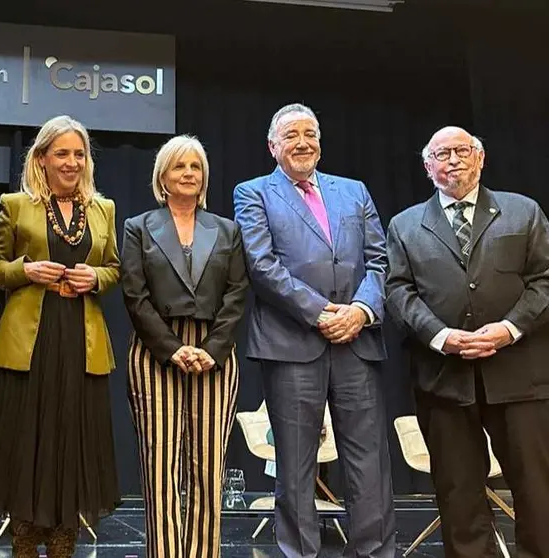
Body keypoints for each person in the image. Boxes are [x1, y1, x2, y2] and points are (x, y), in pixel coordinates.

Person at [232, 103, 395, 558]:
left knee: (369, 463)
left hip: (357, 341)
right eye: (291, 136)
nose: (302, 143)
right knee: (297, 465)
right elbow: (262, 266)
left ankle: (374, 553)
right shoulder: (253, 193)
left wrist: (361, 311)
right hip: (292, 343)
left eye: (310, 134)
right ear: (272, 146)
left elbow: (379, 260)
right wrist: (323, 312)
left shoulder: (354, 191)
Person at [385, 126, 549, 557]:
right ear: (427, 167)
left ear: (480, 158)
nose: (453, 159)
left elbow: (544, 282)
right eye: (442, 153)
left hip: (519, 375)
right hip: (443, 377)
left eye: (462, 150)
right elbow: (398, 292)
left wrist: (509, 328)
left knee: (537, 487)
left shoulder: (523, 212)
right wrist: (441, 336)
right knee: (458, 493)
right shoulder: (404, 225)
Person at [0, 115, 121, 558]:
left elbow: (114, 268)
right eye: (62, 153)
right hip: (27, 346)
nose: (72, 162)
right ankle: (23, 542)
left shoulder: (104, 209)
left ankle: (63, 544)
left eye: (79, 154)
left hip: (81, 342)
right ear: (41, 158)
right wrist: (27, 270)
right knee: (25, 444)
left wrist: (94, 278)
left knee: (72, 445)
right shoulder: (16, 205)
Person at [121, 134, 249, 558]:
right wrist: (172, 348)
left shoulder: (228, 230)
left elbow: (236, 295)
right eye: (180, 166)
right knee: (160, 467)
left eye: (196, 167)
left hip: (215, 352)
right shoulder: (138, 228)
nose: (189, 174)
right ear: (163, 177)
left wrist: (211, 349)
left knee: (208, 468)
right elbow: (135, 297)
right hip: (157, 351)